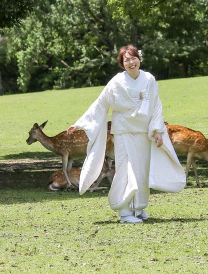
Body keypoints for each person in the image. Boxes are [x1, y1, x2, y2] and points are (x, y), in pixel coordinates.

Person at [67, 45, 185, 223]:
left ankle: (137, 207)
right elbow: (100, 104)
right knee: (126, 169)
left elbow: (156, 106)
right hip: (123, 132)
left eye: (133, 58)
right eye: (126, 60)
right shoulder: (116, 82)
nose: (131, 62)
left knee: (141, 171)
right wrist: (79, 123)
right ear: (122, 64)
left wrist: (158, 130)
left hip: (143, 132)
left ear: (139, 59)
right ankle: (123, 210)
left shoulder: (149, 79)